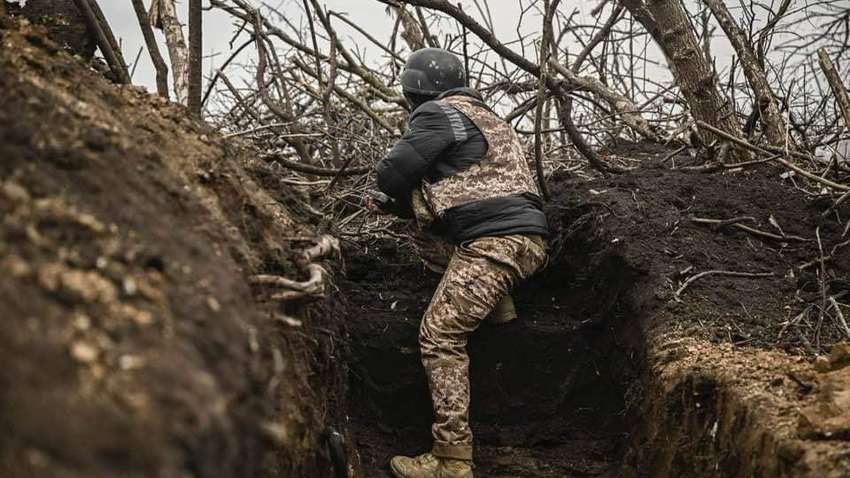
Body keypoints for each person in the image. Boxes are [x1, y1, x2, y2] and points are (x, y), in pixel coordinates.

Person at [373, 48, 550, 478]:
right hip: (526, 240)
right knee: (437, 223)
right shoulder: (488, 118)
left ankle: (451, 460)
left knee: (439, 335)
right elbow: (470, 191)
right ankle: (498, 303)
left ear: (413, 89)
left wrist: (390, 195)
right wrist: (410, 202)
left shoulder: (437, 114)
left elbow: (392, 173)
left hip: (495, 244)